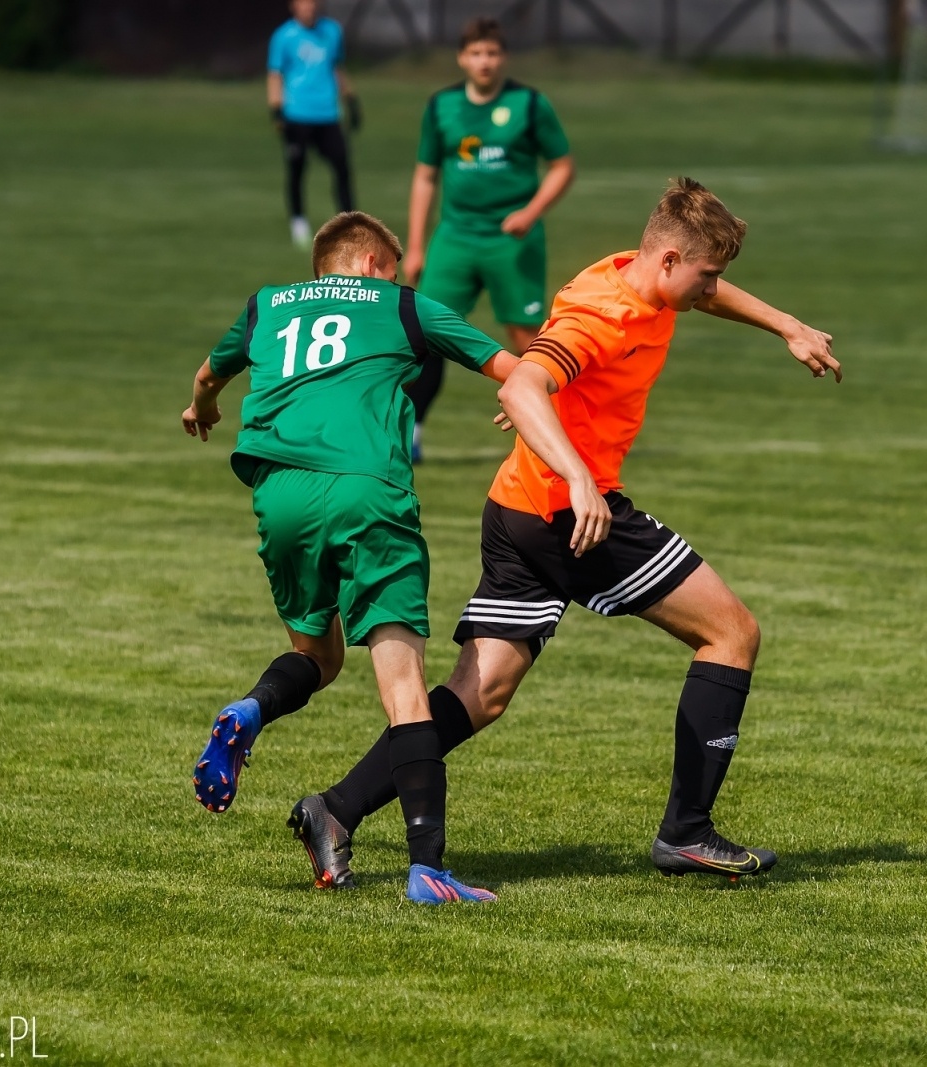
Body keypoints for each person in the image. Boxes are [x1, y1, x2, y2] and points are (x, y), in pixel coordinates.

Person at [291, 178, 839, 890]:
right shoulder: (603, 314)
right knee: (731, 633)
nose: (713, 289)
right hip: (570, 514)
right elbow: (520, 387)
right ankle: (687, 832)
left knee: (482, 692)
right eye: (707, 273)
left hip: (516, 506)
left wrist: (787, 325)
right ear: (669, 260)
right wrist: (577, 472)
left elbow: (681, 304)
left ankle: (335, 808)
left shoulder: (637, 273)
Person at [181, 211, 516, 904]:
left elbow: (207, 376)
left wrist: (203, 410)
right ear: (368, 264)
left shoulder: (267, 304)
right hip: (367, 490)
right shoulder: (400, 305)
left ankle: (251, 709)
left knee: (318, 656)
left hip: (280, 494)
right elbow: (509, 365)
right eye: (391, 270)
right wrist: (524, 399)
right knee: (404, 686)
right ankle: (428, 869)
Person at [401, 16, 576, 462]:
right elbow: (425, 176)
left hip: (511, 241)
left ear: (504, 58)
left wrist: (530, 212)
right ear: (462, 58)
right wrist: (416, 246)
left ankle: (564, 432)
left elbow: (562, 166)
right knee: (426, 333)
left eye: (492, 53)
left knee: (527, 338)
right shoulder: (441, 106)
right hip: (455, 237)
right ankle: (411, 432)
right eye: (476, 53)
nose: (484, 62)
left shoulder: (529, 104)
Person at [268, 0, 361, 249]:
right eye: (303, 3)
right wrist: (276, 110)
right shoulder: (283, 36)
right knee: (297, 168)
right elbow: (275, 74)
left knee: (342, 167)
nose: (308, 7)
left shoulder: (331, 31)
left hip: (327, 113)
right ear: (293, 6)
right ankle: (298, 221)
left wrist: (350, 99)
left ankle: (348, 223)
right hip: (297, 113)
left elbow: (336, 68)